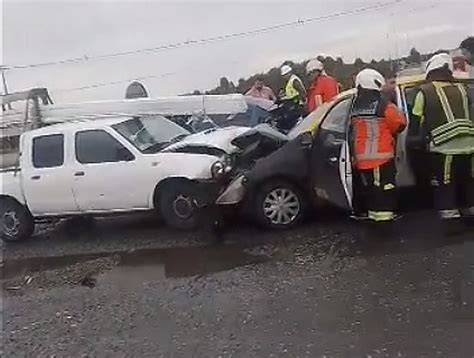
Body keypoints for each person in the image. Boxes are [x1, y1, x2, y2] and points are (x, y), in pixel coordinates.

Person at [409, 53, 474, 223]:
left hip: (444, 147)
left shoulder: (424, 91)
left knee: (445, 184)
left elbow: (415, 120)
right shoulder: (463, 88)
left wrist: (414, 140)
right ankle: (470, 213)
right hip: (469, 145)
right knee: (467, 181)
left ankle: (451, 221)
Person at [351, 69, 407, 223]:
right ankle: (384, 222)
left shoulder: (354, 106)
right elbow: (400, 124)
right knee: (384, 190)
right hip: (380, 158)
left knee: (371, 189)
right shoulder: (383, 105)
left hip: (361, 158)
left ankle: (373, 216)